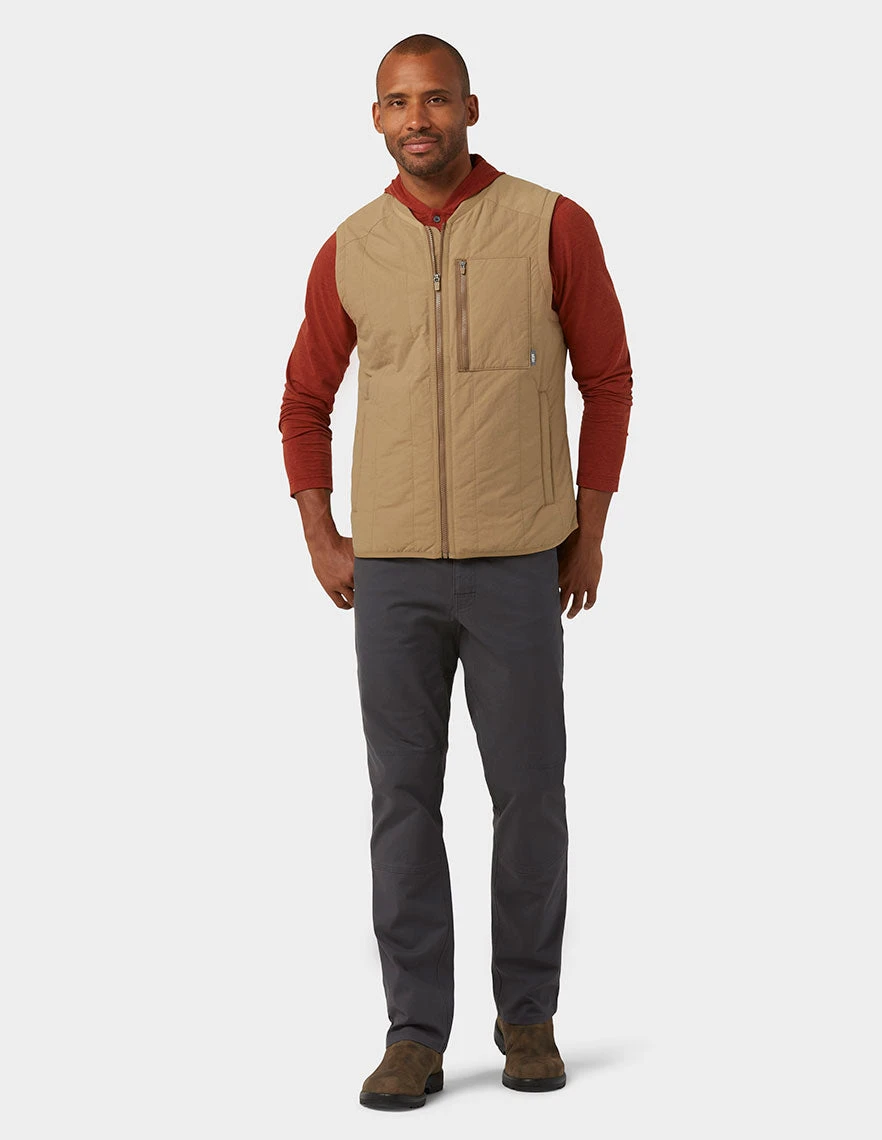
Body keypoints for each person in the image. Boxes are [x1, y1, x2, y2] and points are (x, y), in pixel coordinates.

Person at [279, 33, 634, 1110]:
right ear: (375, 119)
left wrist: (588, 529)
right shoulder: (349, 248)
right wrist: (321, 534)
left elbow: (608, 379)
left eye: (435, 99)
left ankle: (527, 1017)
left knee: (529, 797)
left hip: (518, 561)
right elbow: (303, 402)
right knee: (401, 802)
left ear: (471, 108)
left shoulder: (551, 224)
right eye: (397, 103)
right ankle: (413, 1033)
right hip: (390, 572)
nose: (417, 119)